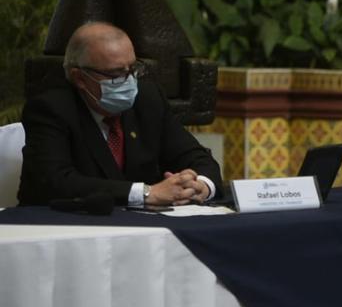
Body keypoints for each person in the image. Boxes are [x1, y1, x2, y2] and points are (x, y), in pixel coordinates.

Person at [18, 21, 222, 206]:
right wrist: (146, 193)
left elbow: (197, 157)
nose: (128, 81)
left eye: (132, 69)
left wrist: (199, 186)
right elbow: (54, 182)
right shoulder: (51, 109)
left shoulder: (148, 100)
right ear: (79, 77)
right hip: (67, 231)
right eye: (116, 74)